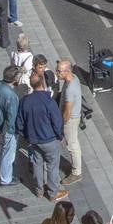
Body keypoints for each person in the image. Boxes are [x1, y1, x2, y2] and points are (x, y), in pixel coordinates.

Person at [17, 70, 68, 201]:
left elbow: (19, 123)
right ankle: (52, 193)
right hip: (49, 140)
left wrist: (26, 135)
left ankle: (39, 190)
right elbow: (57, 122)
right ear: (43, 83)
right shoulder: (49, 101)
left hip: (33, 140)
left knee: (37, 164)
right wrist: (60, 136)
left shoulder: (25, 101)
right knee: (52, 166)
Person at [0, 65, 23, 185]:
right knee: (8, 153)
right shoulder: (11, 97)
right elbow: (11, 118)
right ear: (15, 79)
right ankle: (6, 179)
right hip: (8, 129)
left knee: (2, 146)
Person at [56, 58, 84, 185]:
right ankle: (74, 168)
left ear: (67, 71)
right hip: (72, 117)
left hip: (71, 120)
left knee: (72, 145)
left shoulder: (70, 89)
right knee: (72, 143)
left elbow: (67, 111)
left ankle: (76, 173)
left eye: (59, 71)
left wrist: (61, 123)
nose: (57, 73)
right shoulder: (73, 78)